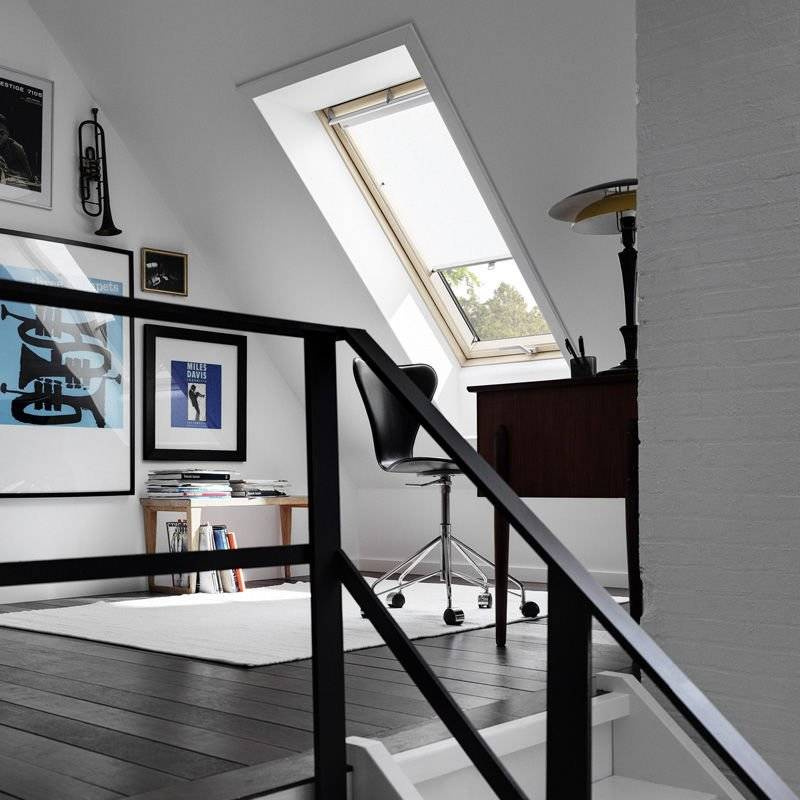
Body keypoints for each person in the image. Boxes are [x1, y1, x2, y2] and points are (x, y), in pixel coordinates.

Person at [0, 113, 34, 185]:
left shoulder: (17, 148)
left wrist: (30, 177)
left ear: (8, 133)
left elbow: (28, 173)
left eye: (2, 133)